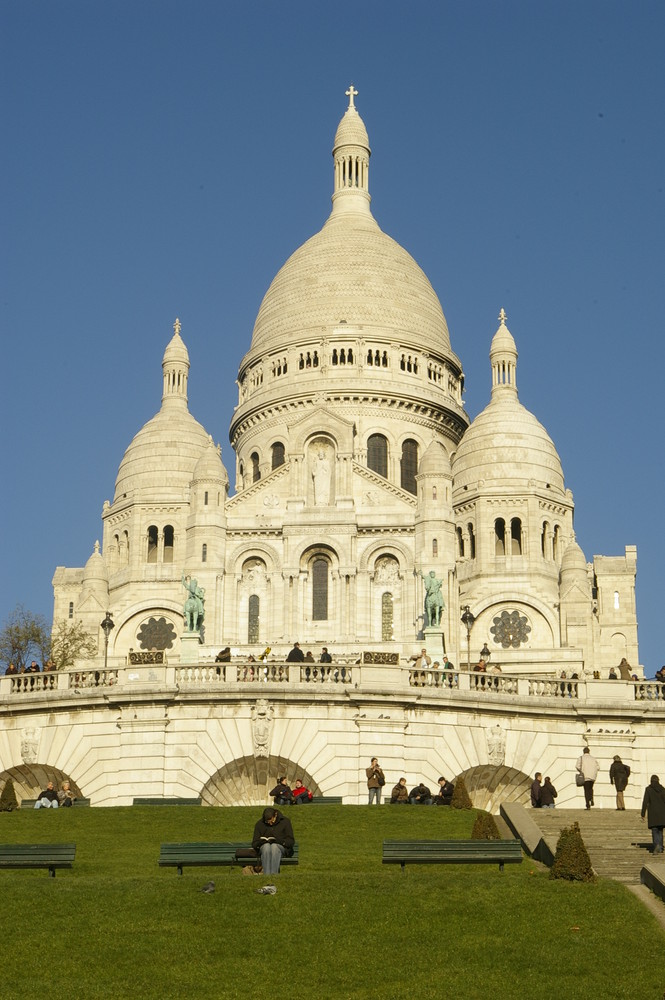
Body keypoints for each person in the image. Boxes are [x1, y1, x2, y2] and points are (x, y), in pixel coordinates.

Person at [251, 807, 295, 875]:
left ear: (276, 815)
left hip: (281, 847)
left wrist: (279, 841)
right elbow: (254, 843)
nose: (270, 824)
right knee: (266, 847)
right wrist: (261, 842)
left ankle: (274, 875)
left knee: (274, 847)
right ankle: (267, 875)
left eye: (272, 821)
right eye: (267, 822)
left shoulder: (285, 822)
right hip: (264, 848)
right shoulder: (259, 824)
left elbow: (291, 841)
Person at [641, 775, 665, 855]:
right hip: (662, 814)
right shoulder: (663, 789)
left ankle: (657, 845)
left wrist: (643, 814)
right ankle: (661, 847)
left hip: (653, 814)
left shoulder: (648, 789)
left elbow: (645, 802)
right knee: (660, 831)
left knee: (655, 830)